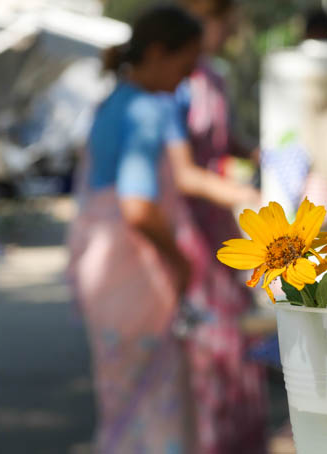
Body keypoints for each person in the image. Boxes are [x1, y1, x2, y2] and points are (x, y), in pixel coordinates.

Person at [66, 6, 204, 453]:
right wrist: (180, 262)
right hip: (132, 276)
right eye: (185, 67)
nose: (185, 81)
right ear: (160, 52)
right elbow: (139, 207)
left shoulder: (115, 100)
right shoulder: (145, 109)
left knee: (121, 404)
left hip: (102, 274)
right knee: (152, 407)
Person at [174, 1, 269, 452]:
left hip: (218, 225)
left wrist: (257, 154)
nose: (232, 32)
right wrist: (241, 194)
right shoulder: (172, 84)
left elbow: (223, 139)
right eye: (227, 23)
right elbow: (178, 171)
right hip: (185, 227)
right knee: (206, 341)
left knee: (237, 329)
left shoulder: (215, 76)